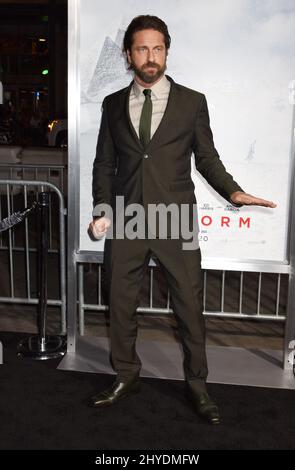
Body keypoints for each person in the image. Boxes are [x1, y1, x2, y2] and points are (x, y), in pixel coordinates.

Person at [89, 15, 276, 424]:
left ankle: (197, 386)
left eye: (158, 48)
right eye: (142, 48)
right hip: (127, 219)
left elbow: (206, 157)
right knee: (120, 305)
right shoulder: (112, 104)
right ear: (129, 54)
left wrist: (232, 191)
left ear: (167, 52)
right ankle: (126, 375)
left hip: (176, 219)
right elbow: (104, 163)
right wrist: (103, 209)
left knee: (190, 307)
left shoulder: (193, 102)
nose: (150, 57)